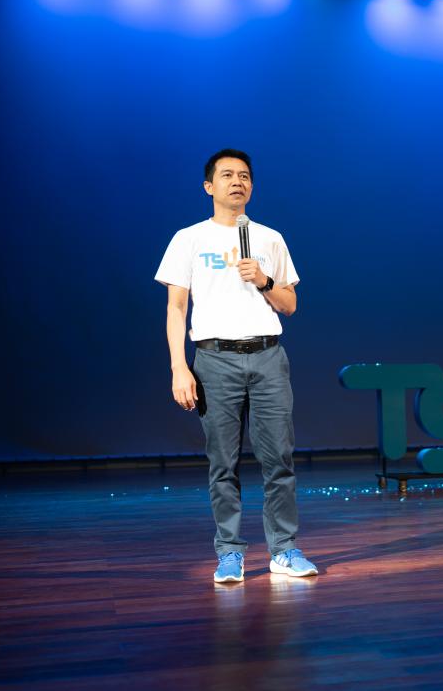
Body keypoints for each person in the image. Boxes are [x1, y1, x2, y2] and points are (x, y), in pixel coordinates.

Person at [154, 148, 317, 583]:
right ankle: (229, 552)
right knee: (222, 463)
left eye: (244, 175)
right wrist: (178, 367)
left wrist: (263, 279)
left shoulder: (269, 238)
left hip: (267, 356)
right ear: (209, 186)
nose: (237, 182)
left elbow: (290, 304)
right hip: (214, 359)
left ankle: (284, 550)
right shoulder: (189, 239)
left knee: (279, 458)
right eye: (227, 175)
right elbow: (176, 308)